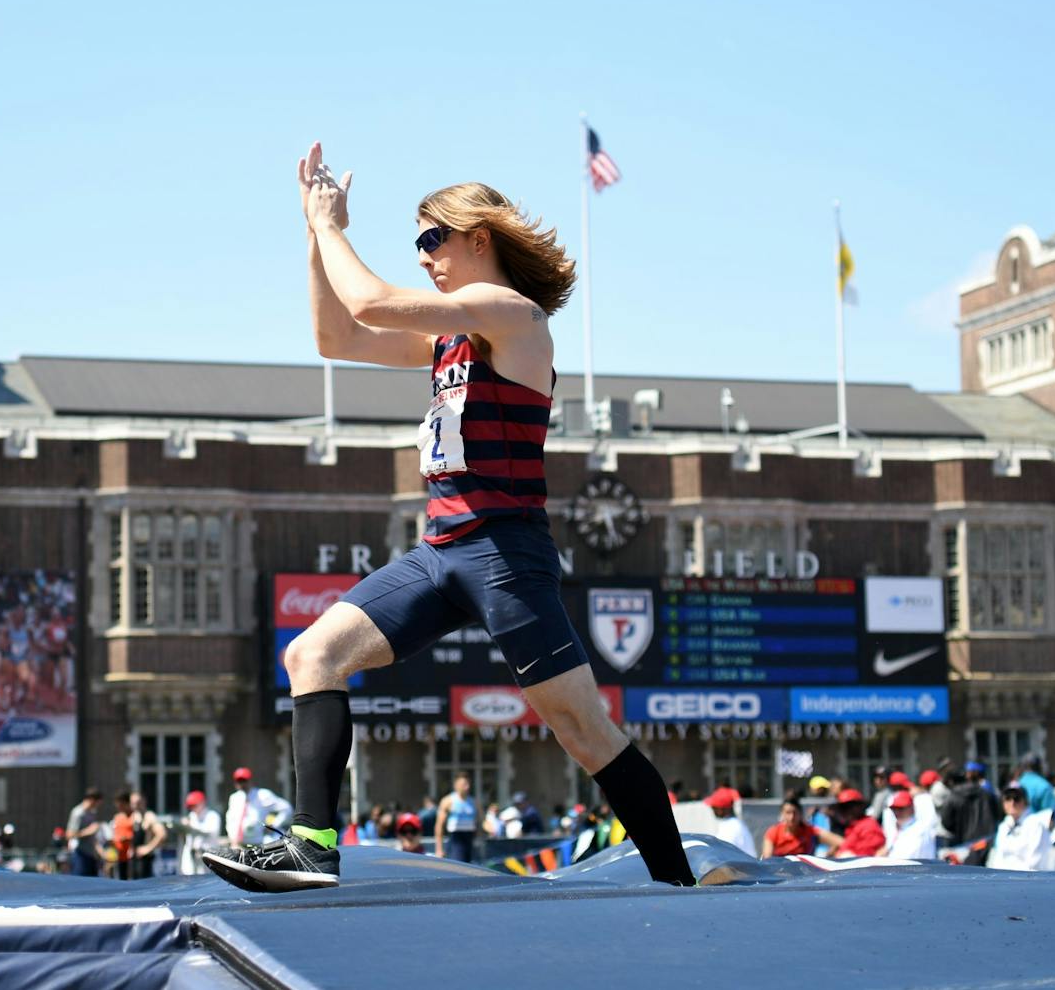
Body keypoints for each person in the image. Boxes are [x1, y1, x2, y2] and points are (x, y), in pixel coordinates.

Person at [205, 148, 694, 892]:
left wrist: (335, 225)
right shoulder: (447, 339)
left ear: (477, 237)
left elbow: (367, 302)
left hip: (504, 552)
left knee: (582, 731)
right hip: (438, 553)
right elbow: (335, 339)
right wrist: (313, 231)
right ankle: (312, 846)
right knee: (311, 656)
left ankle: (678, 882)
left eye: (432, 238)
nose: (425, 255)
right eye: (417, 244)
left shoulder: (513, 316)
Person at [224, 767, 294, 848]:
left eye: (244, 781)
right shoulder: (234, 798)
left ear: (250, 781)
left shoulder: (262, 795)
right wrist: (232, 838)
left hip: (260, 843)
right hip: (240, 845)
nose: (242, 784)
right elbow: (230, 819)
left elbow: (287, 808)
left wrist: (274, 825)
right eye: (239, 781)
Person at [989, 786, 1051, 871]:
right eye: (1007, 798)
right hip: (1003, 879)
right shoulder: (1003, 826)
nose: (1012, 803)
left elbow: (1035, 863)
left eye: (1016, 798)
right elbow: (999, 858)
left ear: (1025, 802)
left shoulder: (1036, 825)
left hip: (1028, 879)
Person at [812, 789, 885, 859]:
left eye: (849, 806)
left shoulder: (869, 825)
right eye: (842, 807)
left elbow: (866, 857)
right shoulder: (852, 826)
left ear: (859, 807)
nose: (845, 811)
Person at [944, 763, 1002, 845]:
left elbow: (947, 822)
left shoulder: (986, 788)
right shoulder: (985, 792)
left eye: (969, 771)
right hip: (986, 838)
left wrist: (958, 830)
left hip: (965, 840)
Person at [435, 772, 479, 863]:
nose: (467, 787)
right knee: (459, 866)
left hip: (470, 839)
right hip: (456, 840)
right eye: (464, 785)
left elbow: (481, 821)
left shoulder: (474, 802)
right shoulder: (448, 801)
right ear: (456, 785)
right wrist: (439, 849)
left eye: (468, 784)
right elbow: (439, 826)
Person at [884, 791, 938, 861]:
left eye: (900, 808)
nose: (896, 812)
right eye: (894, 809)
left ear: (911, 807)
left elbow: (905, 860)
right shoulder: (900, 828)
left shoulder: (920, 831)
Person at [180, 791, 222, 875]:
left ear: (202, 803)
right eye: (190, 806)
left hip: (208, 855)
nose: (192, 808)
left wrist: (190, 826)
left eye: (194, 805)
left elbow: (209, 832)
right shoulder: (191, 815)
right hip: (192, 853)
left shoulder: (212, 816)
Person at [65, 787, 104, 877]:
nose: (98, 806)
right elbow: (69, 834)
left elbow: (92, 836)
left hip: (91, 856)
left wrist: (99, 851)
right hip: (80, 855)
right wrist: (88, 831)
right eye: (97, 803)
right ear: (91, 800)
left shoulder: (92, 812)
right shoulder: (78, 813)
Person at [128, 792, 168, 878]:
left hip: (146, 860)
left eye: (137, 803)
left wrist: (148, 848)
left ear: (143, 802)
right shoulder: (133, 816)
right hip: (133, 860)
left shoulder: (149, 816)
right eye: (133, 803)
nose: (135, 806)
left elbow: (162, 834)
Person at [705, 787, 755, 855]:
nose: (712, 809)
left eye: (714, 807)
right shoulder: (734, 824)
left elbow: (723, 856)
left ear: (721, 809)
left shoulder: (730, 828)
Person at [1017, 753, 1054, 821]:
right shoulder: (1044, 786)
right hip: (1039, 828)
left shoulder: (1016, 784)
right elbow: (1051, 814)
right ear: (1039, 767)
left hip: (1018, 828)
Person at [109, 790, 134, 880]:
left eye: (121, 805)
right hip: (118, 856)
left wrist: (127, 838)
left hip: (131, 857)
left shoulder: (134, 816)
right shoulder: (117, 817)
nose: (119, 807)